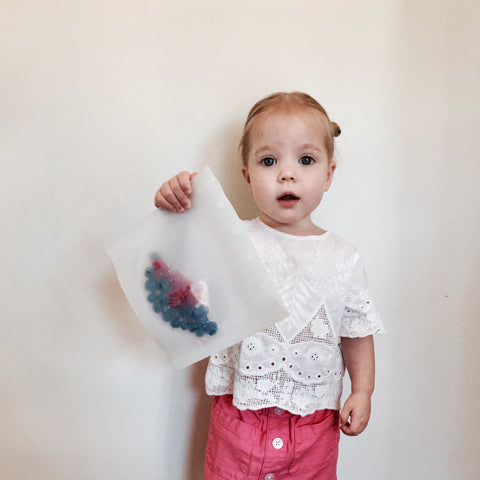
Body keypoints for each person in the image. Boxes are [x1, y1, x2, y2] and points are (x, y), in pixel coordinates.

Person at [154, 92, 384, 480]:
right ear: (247, 175)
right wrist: (176, 204)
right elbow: (181, 267)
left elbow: (356, 333)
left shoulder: (344, 258)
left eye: (306, 160)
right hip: (237, 418)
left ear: (328, 174)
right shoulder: (232, 240)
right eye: (268, 161)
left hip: (315, 429)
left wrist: (363, 391)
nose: (287, 174)